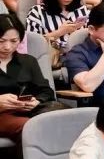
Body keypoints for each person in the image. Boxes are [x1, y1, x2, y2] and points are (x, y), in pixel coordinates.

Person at [0, 14, 65, 145]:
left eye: (14, 41)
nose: (7, 47)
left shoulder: (28, 61)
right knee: (30, 128)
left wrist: (36, 101)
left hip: (29, 111)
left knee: (68, 119)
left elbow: (46, 91)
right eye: (1, 41)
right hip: (3, 115)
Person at [25, 0, 89, 58]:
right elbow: (32, 43)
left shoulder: (83, 10)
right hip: (51, 56)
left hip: (81, 55)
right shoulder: (37, 12)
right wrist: (59, 32)